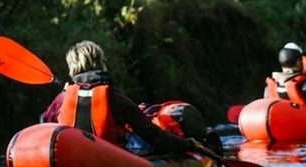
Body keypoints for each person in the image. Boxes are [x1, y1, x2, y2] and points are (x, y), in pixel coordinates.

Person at [41, 40, 209, 156]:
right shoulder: (114, 99)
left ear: (72, 68)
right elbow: (154, 136)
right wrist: (188, 144)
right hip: (108, 165)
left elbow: (44, 125)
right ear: (101, 63)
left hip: (71, 163)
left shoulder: (61, 99)